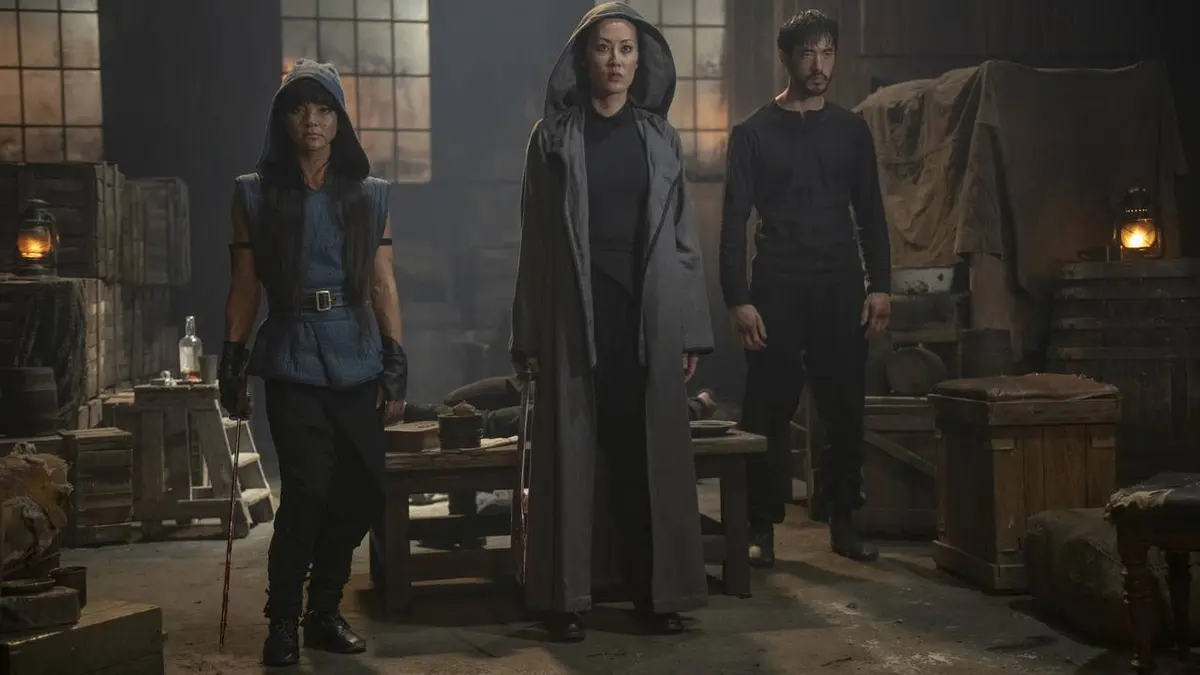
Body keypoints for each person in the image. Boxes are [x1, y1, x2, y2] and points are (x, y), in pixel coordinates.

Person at [510, 1, 714, 643]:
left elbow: (682, 240)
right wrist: (528, 335)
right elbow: (536, 244)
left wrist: (689, 328)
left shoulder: (659, 138)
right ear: (584, 58)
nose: (616, 61)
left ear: (641, 60)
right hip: (574, 311)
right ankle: (566, 599)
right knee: (571, 454)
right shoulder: (552, 139)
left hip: (645, 313)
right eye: (604, 48)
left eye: (627, 49)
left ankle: (656, 596)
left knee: (644, 455)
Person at [219, 59, 408, 667]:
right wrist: (232, 358)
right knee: (306, 492)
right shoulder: (253, 193)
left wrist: (395, 361)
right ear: (283, 119)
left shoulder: (369, 195)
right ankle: (283, 621)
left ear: (340, 120)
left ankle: (323, 609)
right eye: (299, 108)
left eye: (324, 109)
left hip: (357, 353)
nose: (312, 120)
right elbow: (245, 284)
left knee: (365, 488)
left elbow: (383, 282)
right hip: (292, 352)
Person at [719, 10, 892, 568]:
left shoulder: (850, 130)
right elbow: (733, 221)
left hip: (840, 283)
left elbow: (870, 212)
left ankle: (843, 519)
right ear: (787, 57)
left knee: (844, 405)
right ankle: (760, 526)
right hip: (777, 283)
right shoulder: (752, 133)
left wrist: (880, 285)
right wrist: (738, 298)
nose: (819, 65)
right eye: (808, 54)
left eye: (827, 53)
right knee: (768, 405)